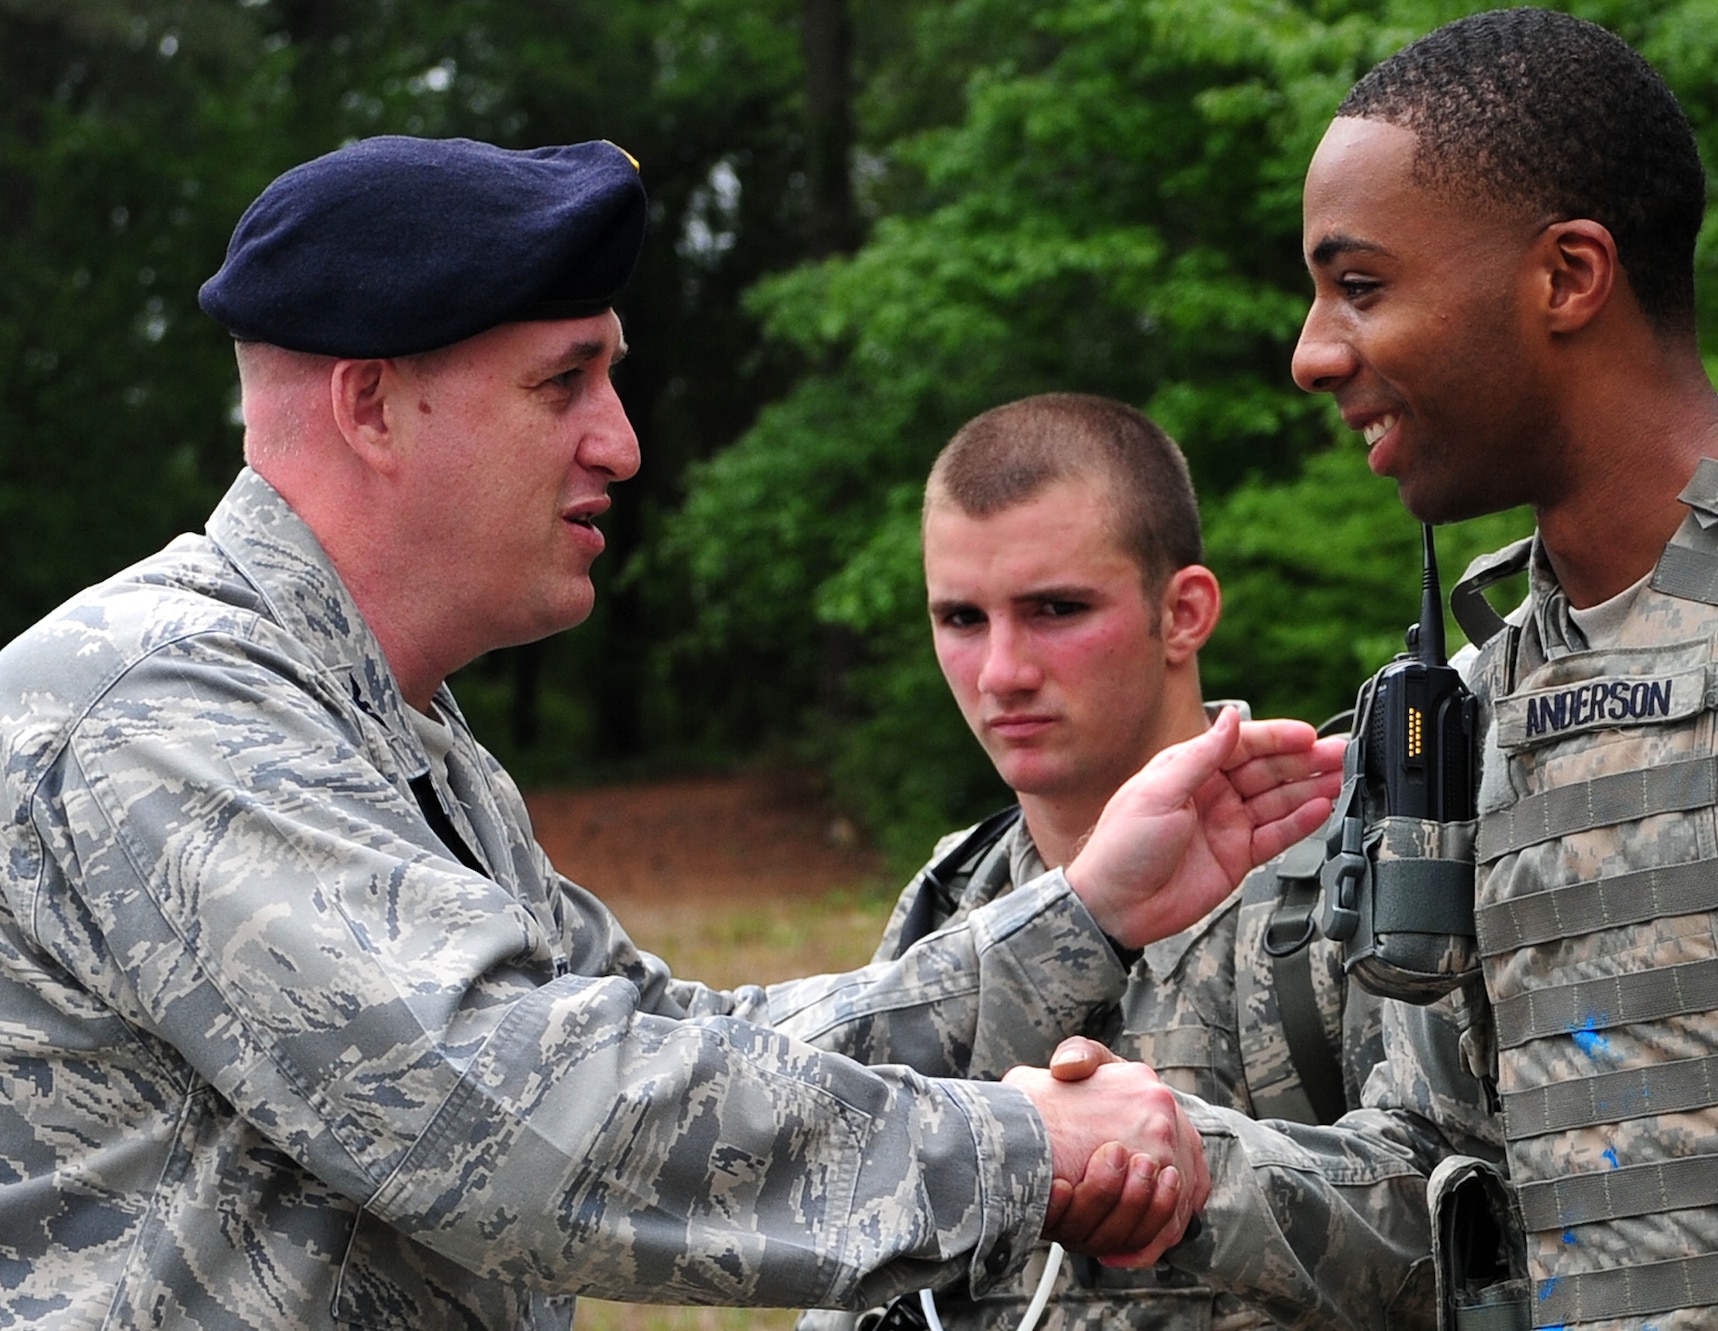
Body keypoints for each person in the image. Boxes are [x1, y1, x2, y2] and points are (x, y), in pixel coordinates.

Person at [0, 135, 1345, 1331]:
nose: (621, 443)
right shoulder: (166, 703)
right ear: (371, 405)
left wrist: (1083, 915)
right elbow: (520, 1120)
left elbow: (671, 1035)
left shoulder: (395, 729)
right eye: (562, 383)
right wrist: (1023, 1146)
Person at [1277, 7, 1718, 1328]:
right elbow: (1427, 1176)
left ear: (1567, 277)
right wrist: (1113, 1160)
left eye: (1361, 285)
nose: (1314, 350)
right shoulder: (1479, 705)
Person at [800, 392, 1397, 1331]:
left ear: (1184, 613)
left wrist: (1201, 1176)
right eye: (961, 617)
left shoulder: (1340, 882)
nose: (1001, 671)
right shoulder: (952, 907)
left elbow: (1462, 1225)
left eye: (1055, 609)